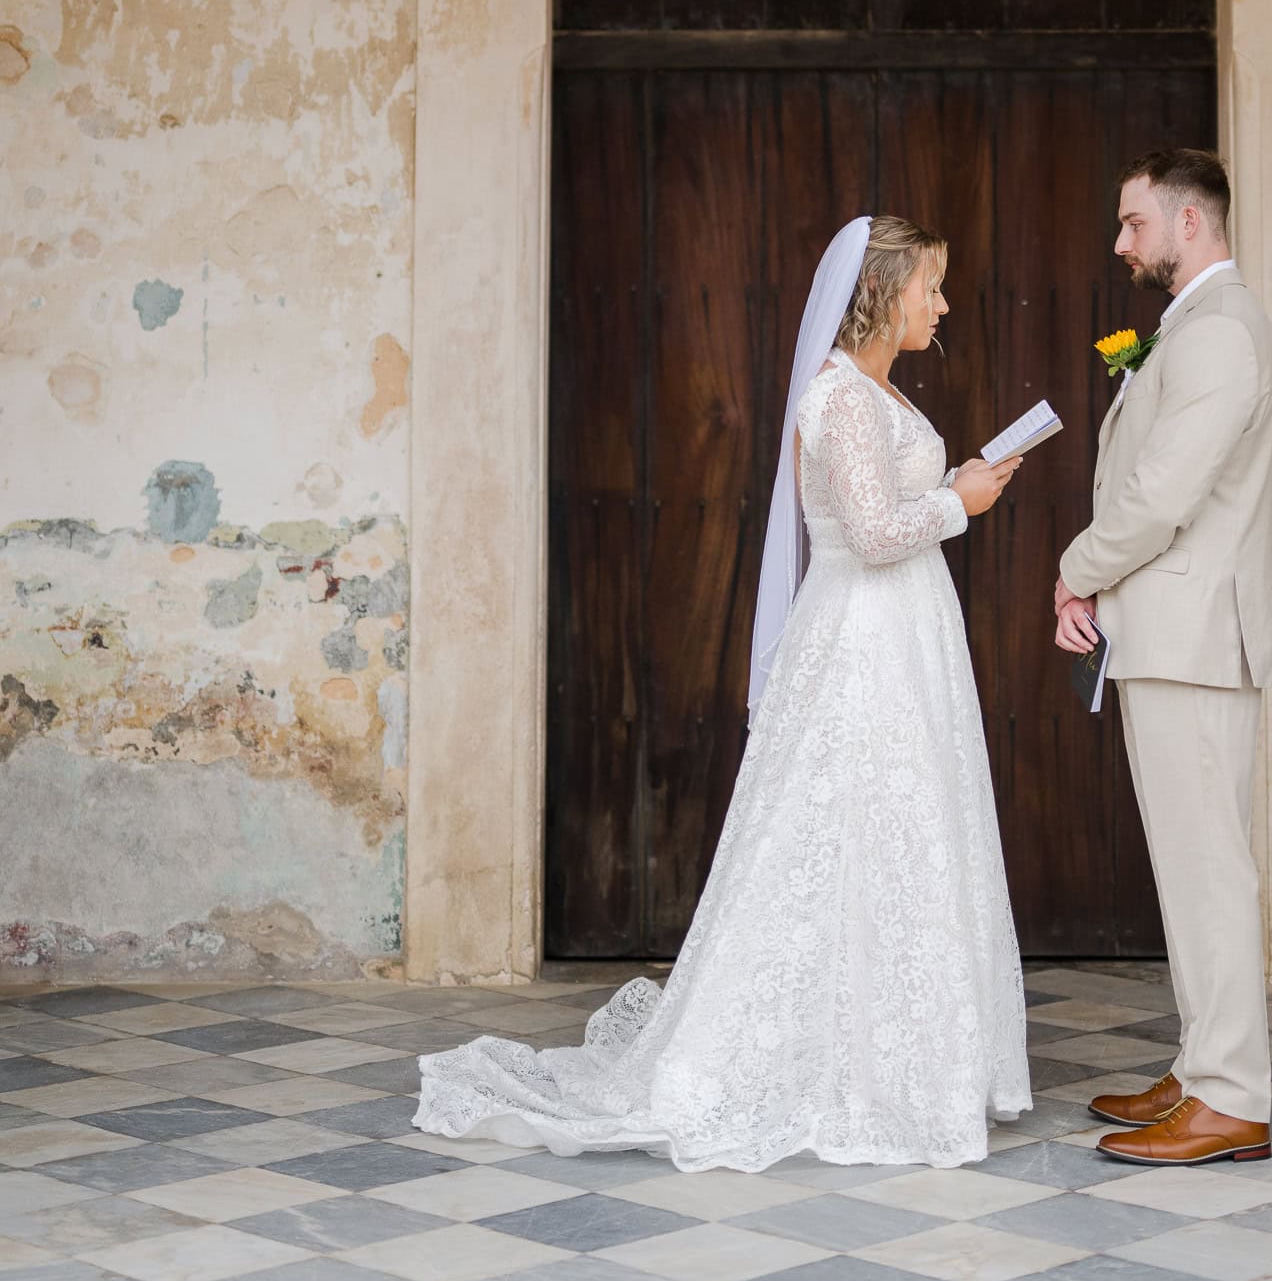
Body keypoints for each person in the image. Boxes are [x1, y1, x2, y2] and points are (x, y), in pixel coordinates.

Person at [414, 213, 1031, 1171]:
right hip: (862, 642)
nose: (943, 304)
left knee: (906, 831)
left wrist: (956, 480)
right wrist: (964, 504)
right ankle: (838, 1070)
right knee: (849, 831)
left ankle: (905, 1058)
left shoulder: (879, 394)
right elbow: (870, 535)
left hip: (906, 638)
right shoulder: (837, 397)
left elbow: (886, 509)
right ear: (883, 295)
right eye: (931, 288)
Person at [1055, 148, 1272, 1166]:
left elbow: (1161, 493)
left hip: (1193, 637)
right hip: (1170, 632)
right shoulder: (1192, 325)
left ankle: (1231, 1095)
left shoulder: (1223, 333)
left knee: (1209, 871)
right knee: (1188, 868)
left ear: (1191, 223)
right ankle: (1201, 1071)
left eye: (1134, 222)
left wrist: (1076, 568)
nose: (1120, 243)